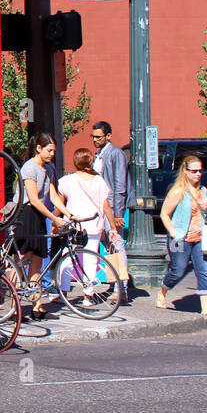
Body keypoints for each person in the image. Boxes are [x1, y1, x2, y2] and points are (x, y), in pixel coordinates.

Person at [53, 147, 130, 303]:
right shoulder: (99, 181)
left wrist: (55, 221)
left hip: (74, 225)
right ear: (91, 161)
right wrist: (113, 228)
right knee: (90, 261)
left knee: (67, 259)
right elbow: (106, 206)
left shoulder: (67, 181)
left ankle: (63, 293)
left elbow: (59, 205)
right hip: (94, 225)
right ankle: (88, 295)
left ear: (75, 162)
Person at [15, 133, 69, 320]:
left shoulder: (47, 169)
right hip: (26, 214)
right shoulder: (29, 168)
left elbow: (53, 195)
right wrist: (54, 218)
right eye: (49, 150)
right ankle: (14, 304)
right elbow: (34, 200)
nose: (52, 154)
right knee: (23, 259)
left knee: (37, 260)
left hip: (38, 216)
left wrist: (68, 213)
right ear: (38, 148)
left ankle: (37, 305)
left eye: (54, 150)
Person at [156, 154, 207, 316]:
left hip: (200, 238)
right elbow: (164, 214)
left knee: (203, 270)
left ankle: (205, 309)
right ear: (186, 171)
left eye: (200, 171)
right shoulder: (178, 192)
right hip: (181, 238)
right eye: (194, 171)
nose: (198, 174)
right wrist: (174, 233)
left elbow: (205, 216)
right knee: (178, 270)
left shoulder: (203, 191)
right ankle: (162, 291)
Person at [91, 120, 136, 299]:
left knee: (117, 244)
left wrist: (117, 215)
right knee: (108, 245)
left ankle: (121, 288)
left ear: (108, 136)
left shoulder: (116, 153)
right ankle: (114, 282)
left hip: (113, 207)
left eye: (98, 137)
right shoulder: (100, 154)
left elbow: (120, 186)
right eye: (93, 137)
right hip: (103, 207)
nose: (95, 140)